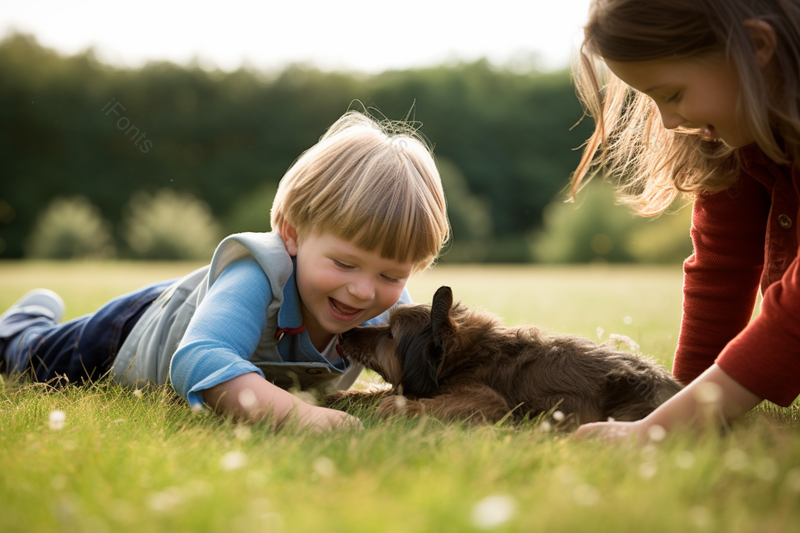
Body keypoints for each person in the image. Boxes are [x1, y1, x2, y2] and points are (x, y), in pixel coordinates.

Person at [0, 110, 450, 433]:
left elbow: (428, 373)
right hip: (129, 332)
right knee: (29, 356)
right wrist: (304, 416)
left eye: (392, 276)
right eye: (344, 263)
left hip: (197, 301)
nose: (363, 291)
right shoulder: (260, 272)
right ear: (292, 235)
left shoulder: (387, 314)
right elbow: (201, 359)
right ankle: (21, 323)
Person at [570, 0, 800, 441]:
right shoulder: (740, 138)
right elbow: (722, 264)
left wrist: (657, 431)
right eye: (651, 100)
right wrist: (676, 400)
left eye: (672, 94)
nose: (669, 121)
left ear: (755, 46)